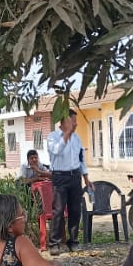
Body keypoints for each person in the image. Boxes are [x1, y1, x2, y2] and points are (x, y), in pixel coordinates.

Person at [46, 109, 94, 256]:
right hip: (60, 177)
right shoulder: (52, 137)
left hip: (75, 177)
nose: (76, 124)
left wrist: (86, 178)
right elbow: (56, 151)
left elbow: (81, 159)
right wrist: (66, 134)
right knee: (58, 210)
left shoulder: (77, 138)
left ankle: (73, 241)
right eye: (73, 121)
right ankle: (54, 243)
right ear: (64, 122)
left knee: (75, 210)